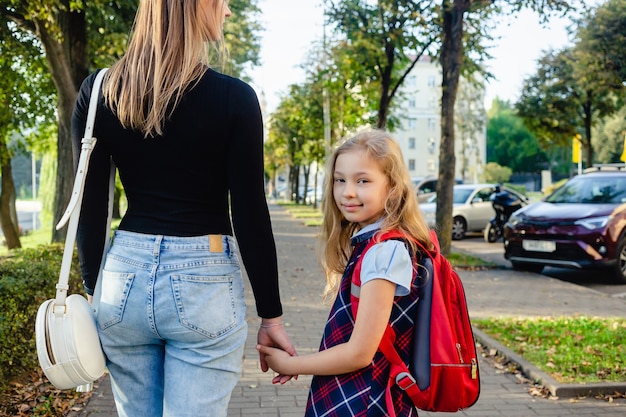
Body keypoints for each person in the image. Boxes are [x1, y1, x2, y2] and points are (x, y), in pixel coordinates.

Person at [70, 1, 295, 416]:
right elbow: (249, 212)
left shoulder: (100, 91)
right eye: (224, 4)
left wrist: (92, 289)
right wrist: (271, 317)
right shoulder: (236, 99)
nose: (227, 14)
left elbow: (90, 205)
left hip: (123, 283)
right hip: (203, 281)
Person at [257, 130, 433, 416]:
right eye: (340, 180)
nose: (347, 191)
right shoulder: (372, 245)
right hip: (355, 396)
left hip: (364, 401)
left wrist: (292, 364)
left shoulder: (384, 252)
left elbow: (359, 354)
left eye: (362, 181)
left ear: (392, 187)